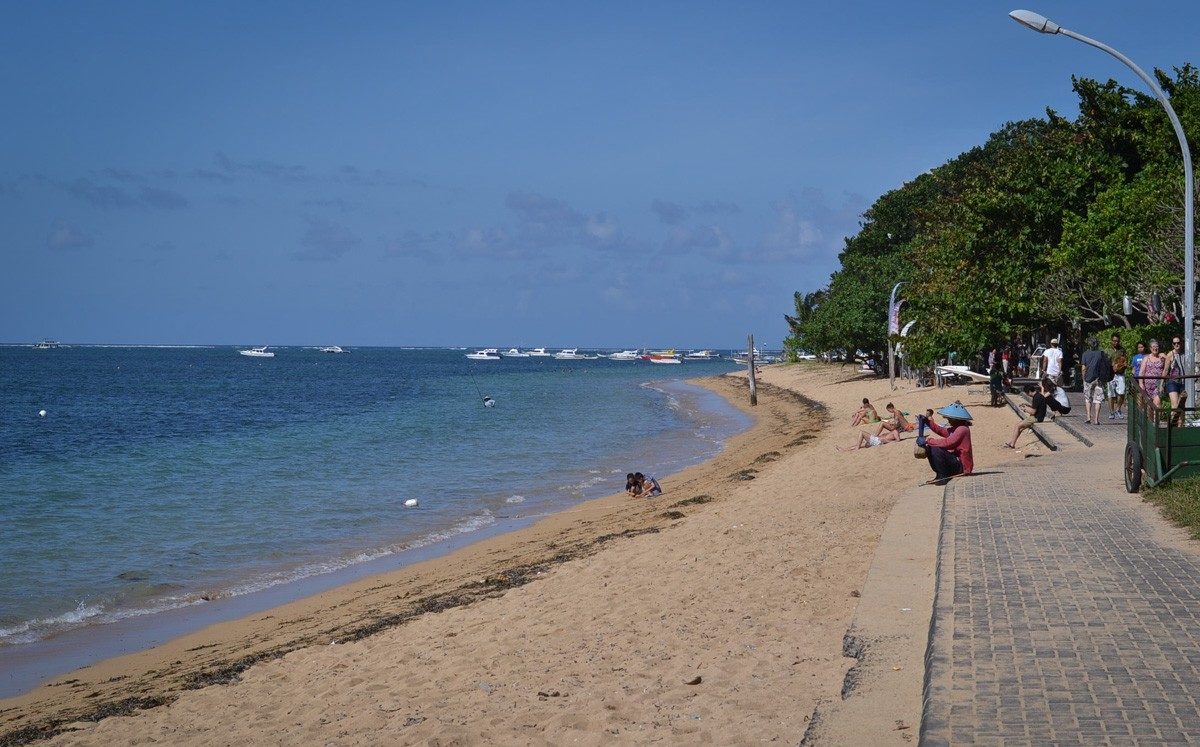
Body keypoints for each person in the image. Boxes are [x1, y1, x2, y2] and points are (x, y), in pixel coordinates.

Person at [918, 403, 974, 483]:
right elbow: (941, 431)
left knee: (935, 448)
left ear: (955, 419)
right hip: (957, 463)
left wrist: (927, 441)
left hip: (962, 466)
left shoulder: (962, 429)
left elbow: (948, 443)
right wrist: (928, 422)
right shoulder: (957, 428)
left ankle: (943, 475)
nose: (949, 421)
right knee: (931, 447)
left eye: (950, 419)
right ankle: (939, 474)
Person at [1003, 384, 1047, 449]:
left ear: (1029, 391)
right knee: (1020, 427)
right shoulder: (1038, 395)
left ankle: (1012, 444)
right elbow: (1036, 407)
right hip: (1037, 416)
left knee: (1017, 426)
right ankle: (1012, 443)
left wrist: (1025, 409)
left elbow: (1033, 412)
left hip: (1036, 418)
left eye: (1026, 393)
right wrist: (1027, 405)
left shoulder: (1036, 398)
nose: (1027, 395)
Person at [1080, 337, 1111, 425]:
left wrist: (1083, 378)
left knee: (1088, 398)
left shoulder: (1085, 354)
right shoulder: (1101, 353)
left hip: (1088, 378)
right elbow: (1105, 366)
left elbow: (1083, 368)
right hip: (1098, 379)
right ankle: (1096, 419)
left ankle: (1088, 417)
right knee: (1098, 399)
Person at [1164, 336, 1189, 425]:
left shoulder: (1184, 354)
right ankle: (1171, 427)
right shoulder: (1170, 354)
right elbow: (1166, 370)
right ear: (1172, 344)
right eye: (1174, 343)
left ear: (1181, 343)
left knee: (1182, 407)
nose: (1176, 344)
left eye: (1178, 343)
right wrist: (1161, 385)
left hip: (1183, 383)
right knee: (1175, 406)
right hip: (1173, 382)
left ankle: (1180, 428)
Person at [1138, 339, 1166, 409]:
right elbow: (1141, 372)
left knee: (1157, 403)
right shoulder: (1146, 358)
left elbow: (1168, 367)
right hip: (1147, 386)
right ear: (1150, 348)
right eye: (1153, 346)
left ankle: (1157, 420)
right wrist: (1141, 384)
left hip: (1158, 385)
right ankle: (1151, 420)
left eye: (1157, 346)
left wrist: (1165, 357)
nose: (1155, 348)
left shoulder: (1162, 358)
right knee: (1149, 407)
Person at [1108, 335, 1128, 419]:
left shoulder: (1122, 350)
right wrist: (1111, 366)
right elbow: (1105, 363)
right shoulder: (1107, 351)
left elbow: (1126, 361)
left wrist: (1121, 365)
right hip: (1110, 374)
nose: (1115, 342)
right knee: (1111, 394)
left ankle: (1118, 409)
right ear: (1111, 341)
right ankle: (1111, 412)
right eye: (1114, 340)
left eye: (1117, 341)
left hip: (1120, 374)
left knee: (1122, 392)